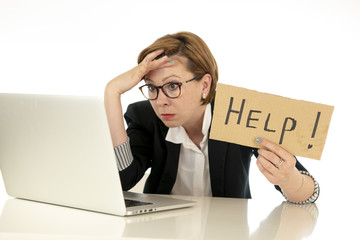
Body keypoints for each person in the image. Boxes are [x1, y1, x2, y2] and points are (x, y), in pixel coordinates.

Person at [104, 31, 319, 204]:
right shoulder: (144, 116)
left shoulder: (239, 113)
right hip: (163, 231)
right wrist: (112, 93)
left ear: (205, 85)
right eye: (152, 88)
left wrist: (289, 180)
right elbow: (123, 179)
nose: (160, 101)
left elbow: (309, 194)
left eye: (172, 86)